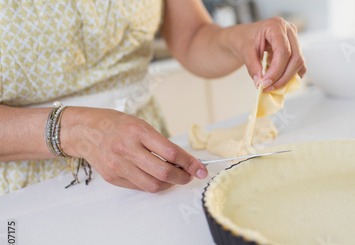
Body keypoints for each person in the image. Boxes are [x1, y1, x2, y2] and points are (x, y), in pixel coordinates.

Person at [0, 0, 306, 195]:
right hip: (24, 182)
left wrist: (240, 39)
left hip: (147, 163)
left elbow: (191, 35)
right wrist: (77, 130)